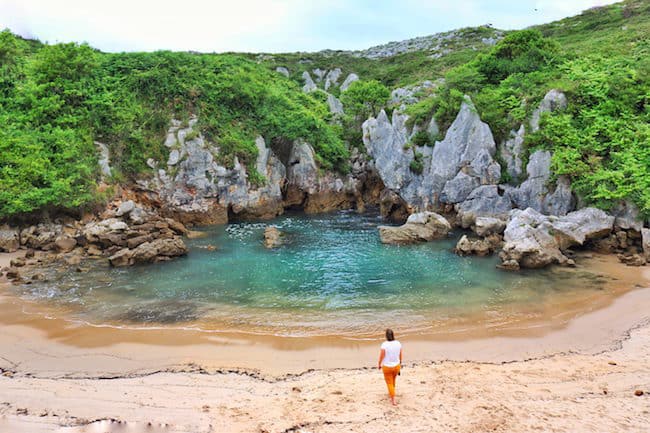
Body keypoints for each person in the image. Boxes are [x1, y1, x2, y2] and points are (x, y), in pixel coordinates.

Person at [378, 328, 402, 406]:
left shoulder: (384, 344)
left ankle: (393, 399)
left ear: (386, 336)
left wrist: (379, 364)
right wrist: (400, 363)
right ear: (393, 335)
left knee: (389, 383)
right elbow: (400, 355)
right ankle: (392, 393)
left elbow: (382, 356)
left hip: (387, 367)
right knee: (393, 380)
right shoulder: (398, 343)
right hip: (397, 366)